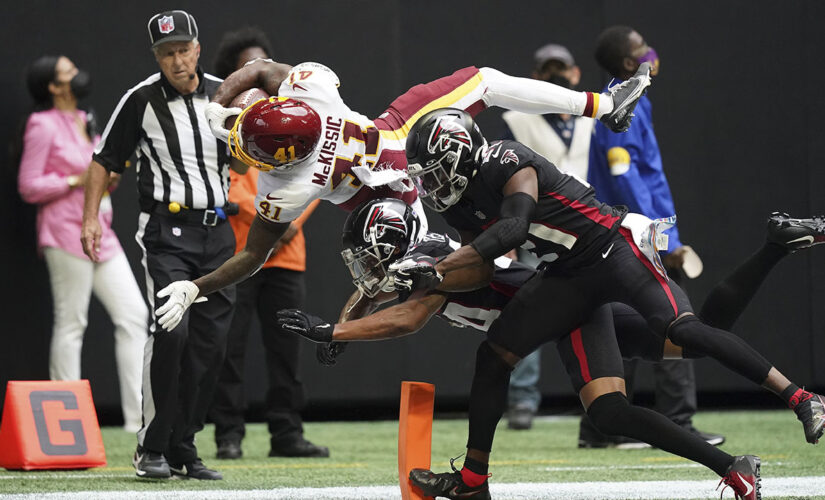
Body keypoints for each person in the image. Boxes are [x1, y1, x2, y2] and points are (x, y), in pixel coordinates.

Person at [389, 108, 824, 500]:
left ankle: (803, 399)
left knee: (684, 330)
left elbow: (513, 229)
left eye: (435, 172)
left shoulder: (505, 158)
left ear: (460, 154)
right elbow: (482, 266)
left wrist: (439, 267)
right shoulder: (460, 205)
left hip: (612, 248)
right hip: (567, 277)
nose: (431, 185)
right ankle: (473, 480)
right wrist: (431, 274)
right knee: (524, 371)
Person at [278, 199, 824, 500]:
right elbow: (385, 289)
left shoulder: (434, 270)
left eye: (369, 259)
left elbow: (408, 316)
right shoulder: (423, 257)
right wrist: (349, 315)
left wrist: (333, 333)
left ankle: (733, 467)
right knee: (703, 335)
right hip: (567, 305)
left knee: (607, 410)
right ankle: (775, 246)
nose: (366, 272)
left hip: (568, 311)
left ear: (396, 251)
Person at [150, 57, 653, 336]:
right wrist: (225, 109)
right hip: (399, 132)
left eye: (262, 156)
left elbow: (254, 256)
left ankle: (539, 312)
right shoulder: (311, 87)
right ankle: (605, 104)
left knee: (429, 280)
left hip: (396, 196)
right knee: (487, 82)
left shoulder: (289, 184)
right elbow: (262, 67)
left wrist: (197, 287)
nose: (256, 163)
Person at [81, 10, 240, 480]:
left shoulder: (226, 92)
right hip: (168, 235)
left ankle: (183, 447)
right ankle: (151, 446)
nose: (176, 60)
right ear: (156, 56)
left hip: (219, 233)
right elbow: (103, 160)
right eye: (166, 53)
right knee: (173, 332)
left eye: (182, 49)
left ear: (197, 47)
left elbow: (249, 159)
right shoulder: (141, 101)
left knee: (211, 345)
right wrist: (90, 218)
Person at [584, 25, 722, 448]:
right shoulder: (618, 107)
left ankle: (601, 429)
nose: (651, 52)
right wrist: (665, 238)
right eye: (642, 48)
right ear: (630, 64)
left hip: (631, 232)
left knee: (621, 325)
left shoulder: (633, 101)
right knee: (675, 320)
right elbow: (626, 178)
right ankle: (671, 420)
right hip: (635, 234)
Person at [208, 26, 328, 460]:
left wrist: (289, 217)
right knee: (231, 348)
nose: (255, 71)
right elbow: (227, 184)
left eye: (261, 62)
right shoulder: (226, 122)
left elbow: (317, 173)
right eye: (245, 66)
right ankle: (228, 435)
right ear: (231, 74)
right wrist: (270, 217)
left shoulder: (297, 113)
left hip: (287, 257)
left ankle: (287, 434)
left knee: (286, 349)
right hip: (241, 252)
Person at [17, 55, 146, 433]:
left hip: (102, 233)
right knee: (72, 322)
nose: (77, 75)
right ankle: (66, 424)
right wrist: (76, 180)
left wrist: (105, 179)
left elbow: (100, 169)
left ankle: (138, 420)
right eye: (68, 73)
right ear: (54, 87)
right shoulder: (41, 125)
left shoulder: (86, 118)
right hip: (64, 233)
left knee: (134, 316)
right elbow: (29, 185)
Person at [500, 43, 595, 431]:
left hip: (590, 229)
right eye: (547, 71)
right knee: (526, 311)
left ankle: (598, 397)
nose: (556, 76)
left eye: (562, 69)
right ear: (536, 79)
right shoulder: (516, 119)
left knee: (597, 313)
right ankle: (522, 399)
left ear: (575, 75)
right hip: (539, 230)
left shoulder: (594, 121)